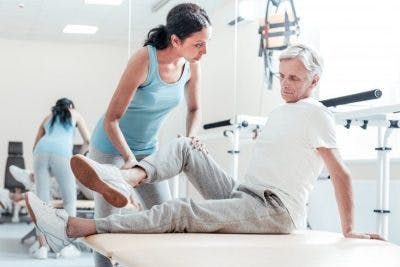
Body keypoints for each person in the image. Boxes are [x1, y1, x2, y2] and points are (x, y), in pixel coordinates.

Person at [24, 44, 384, 255]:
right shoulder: (281, 112)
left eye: (294, 78)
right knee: (183, 146)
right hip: (246, 194)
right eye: (282, 76)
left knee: (180, 210)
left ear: (314, 81)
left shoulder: (317, 114)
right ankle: (123, 178)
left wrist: (349, 229)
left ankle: (72, 226)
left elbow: (341, 172)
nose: (285, 84)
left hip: (275, 211)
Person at [86, 3, 211, 266]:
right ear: (176, 40)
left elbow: (195, 109)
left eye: (206, 43)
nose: (204, 51)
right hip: (110, 146)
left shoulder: (190, 65)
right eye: (198, 44)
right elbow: (111, 119)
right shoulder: (144, 59)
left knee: (165, 218)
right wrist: (129, 160)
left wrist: (190, 137)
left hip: (147, 149)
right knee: (105, 226)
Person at [30, 97, 90, 259]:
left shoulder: (48, 117)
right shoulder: (75, 113)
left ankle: (42, 247)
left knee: (42, 202)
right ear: (71, 106)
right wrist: (78, 156)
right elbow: (88, 140)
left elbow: (35, 144)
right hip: (62, 153)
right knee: (69, 200)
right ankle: (64, 246)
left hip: (40, 151)